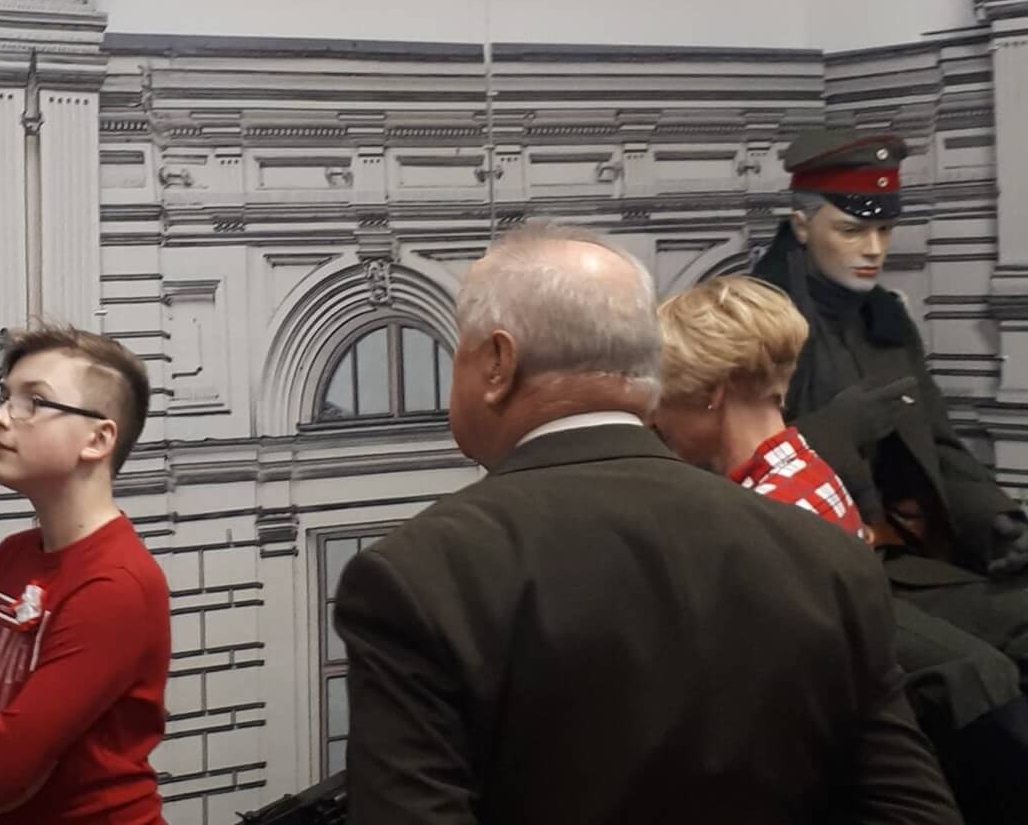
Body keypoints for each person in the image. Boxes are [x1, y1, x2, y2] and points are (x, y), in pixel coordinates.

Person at [333, 222, 958, 824]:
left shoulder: (418, 578)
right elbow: (915, 810)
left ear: (498, 363)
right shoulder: (826, 556)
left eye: (459, 352)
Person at [654, 274, 1028, 823]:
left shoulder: (761, 513)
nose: (656, 418)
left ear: (712, 393)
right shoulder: (809, 468)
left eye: (663, 398)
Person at [754, 129, 1028, 688]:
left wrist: (1001, 522)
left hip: (903, 558)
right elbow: (726, 473)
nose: (874, 249)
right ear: (802, 224)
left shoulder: (885, 318)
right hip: (816, 574)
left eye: (884, 229)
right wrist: (835, 432)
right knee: (980, 677)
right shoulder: (753, 320)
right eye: (852, 230)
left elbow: (939, 445)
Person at [0, 324, 169, 823]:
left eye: (33, 402)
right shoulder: (12, 556)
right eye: (6, 397)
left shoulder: (117, 585)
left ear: (97, 438)